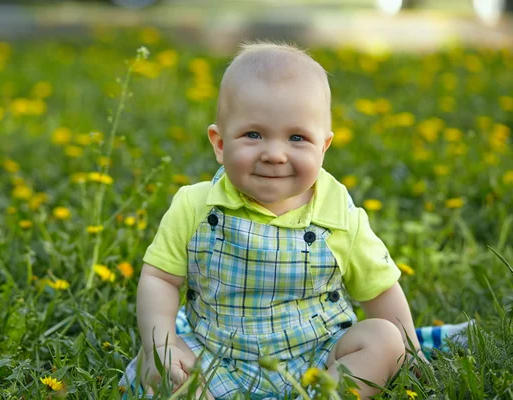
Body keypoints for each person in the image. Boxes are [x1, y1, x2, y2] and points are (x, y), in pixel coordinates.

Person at [122, 41, 427, 399]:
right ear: (220, 144)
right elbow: (159, 277)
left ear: (323, 147)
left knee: (385, 339)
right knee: (151, 363)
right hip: (215, 356)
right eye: (253, 135)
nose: (274, 154)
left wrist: (411, 351)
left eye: (297, 138)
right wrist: (165, 342)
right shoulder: (195, 205)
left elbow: (380, 289)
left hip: (319, 360)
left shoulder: (338, 215)